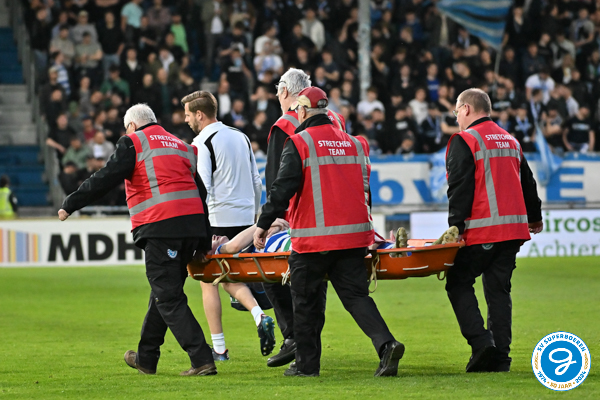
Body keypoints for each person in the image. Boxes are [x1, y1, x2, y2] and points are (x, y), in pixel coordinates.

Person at [254, 87, 404, 377]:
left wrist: (263, 224)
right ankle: (387, 344)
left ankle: (307, 366)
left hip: (313, 240)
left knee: (305, 302)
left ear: (302, 111)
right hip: (352, 238)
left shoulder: (299, 142)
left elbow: (282, 189)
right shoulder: (356, 144)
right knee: (356, 298)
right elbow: (365, 192)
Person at [57, 104, 217, 376]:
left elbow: (105, 177)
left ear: (131, 126)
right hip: (191, 228)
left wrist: (71, 203)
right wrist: (203, 239)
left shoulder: (133, 142)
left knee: (168, 298)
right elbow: (200, 192)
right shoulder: (181, 145)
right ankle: (146, 359)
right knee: (162, 294)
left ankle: (202, 359)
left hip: (161, 227)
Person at [445, 88, 543, 373]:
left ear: (466, 109)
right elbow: (528, 181)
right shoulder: (511, 140)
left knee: (458, 282)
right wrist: (535, 216)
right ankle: (501, 359)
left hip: (482, 230)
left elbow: (460, 187)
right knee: (499, 291)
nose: (456, 118)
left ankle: (481, 343)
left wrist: (456, 226)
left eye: (456, 111)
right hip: (512, 231)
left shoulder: (465, 140)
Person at [181, 91, 276, 361]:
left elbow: (203, 187)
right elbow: (257, 181)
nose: (186, 120)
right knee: (231, 276)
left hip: (217, 219)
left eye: (188, 114)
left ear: (199, 114)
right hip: (245, 218)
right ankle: (258, 316)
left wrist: (199, 225)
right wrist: (255, 219)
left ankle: (220, 349)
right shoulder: (241, 136)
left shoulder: (201, 142)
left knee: (209, 281)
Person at [263, 68, 345, 369]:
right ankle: (308, 344)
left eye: (277, 91)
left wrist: (271, 220)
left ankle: (293, 337)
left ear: (285, 91)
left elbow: (277, 180)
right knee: (318, 283)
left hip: (298, 218)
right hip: (337, 214)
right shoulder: (337, 120)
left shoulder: (285, 125)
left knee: (271, 274)